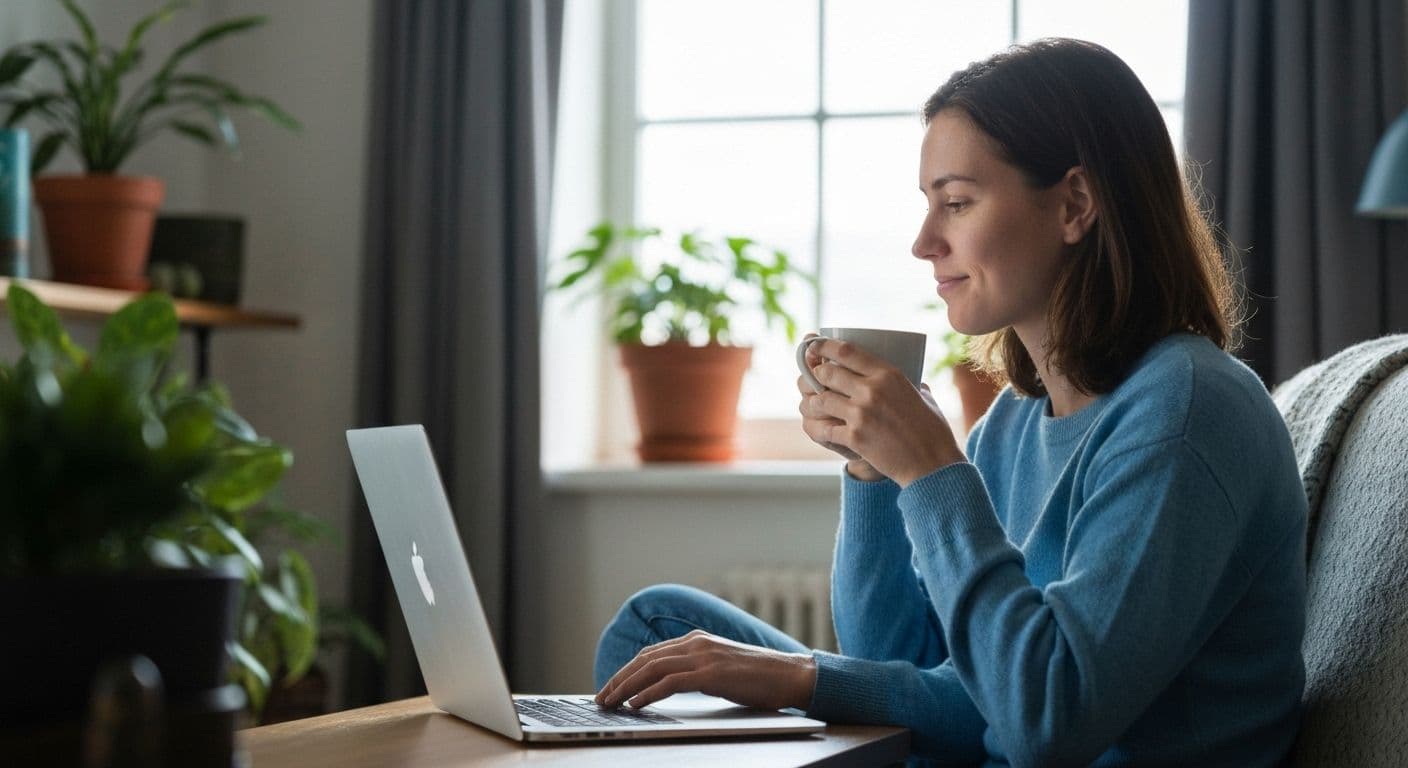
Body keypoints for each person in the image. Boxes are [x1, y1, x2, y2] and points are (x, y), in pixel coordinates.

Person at [592, 38, 1307, 767]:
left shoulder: (1185, 411)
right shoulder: (1019, 419)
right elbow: (908, 670)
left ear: (1074, 205)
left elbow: (1048, 724)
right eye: (928, 206)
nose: (923, 242)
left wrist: (935, 472)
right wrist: (874, 473)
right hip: (975, 749)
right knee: (655, 625)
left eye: (957, 203)